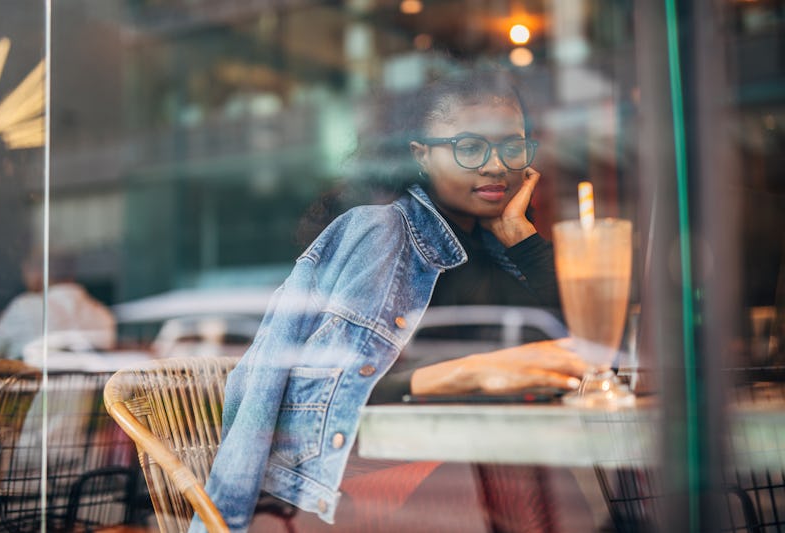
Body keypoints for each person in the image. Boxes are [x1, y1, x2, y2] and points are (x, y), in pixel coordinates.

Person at [193, 66, 588, 533]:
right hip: (349, 491)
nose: (496, 164)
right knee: (502, 470)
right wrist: (472, 373)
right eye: (469, 147)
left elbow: (583, 350)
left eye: (512, 145)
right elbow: (322, 390)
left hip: (465, 474)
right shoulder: (383, 232)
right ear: (420, 154)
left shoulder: (495, 246)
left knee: (532, 469)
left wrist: (522, 238)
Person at [0, 250, 116, 360]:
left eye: (26, 269)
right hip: (87, 391)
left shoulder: (25, 307)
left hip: (33, 390)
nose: (23, 276)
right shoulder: (103, 314)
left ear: (38, 272)